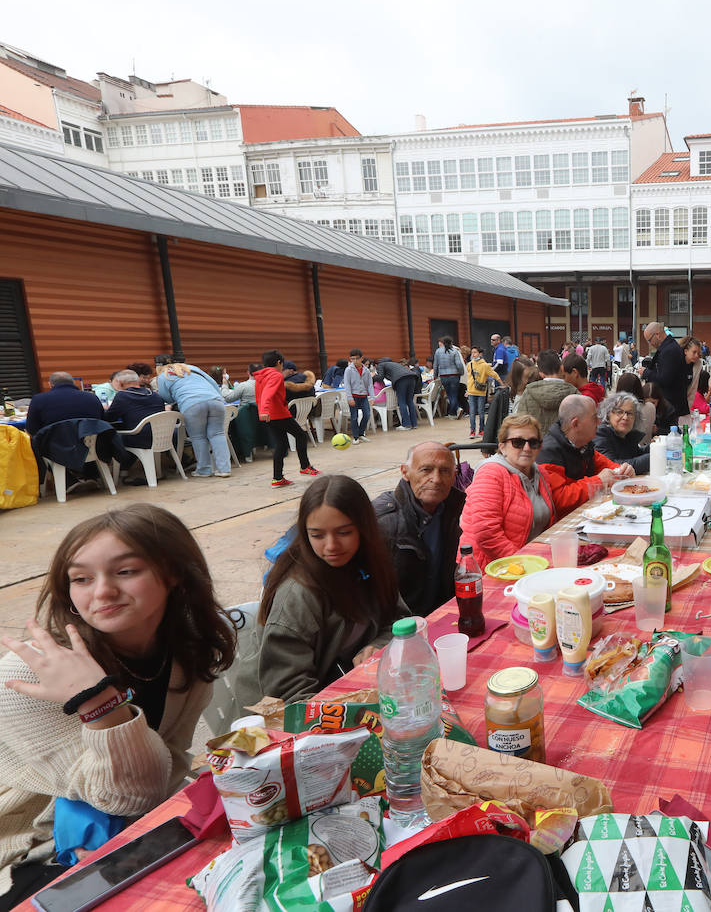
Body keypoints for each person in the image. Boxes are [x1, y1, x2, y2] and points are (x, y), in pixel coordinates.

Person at [0, 505, 236, 905]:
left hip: (139, 826)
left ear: (173, 573)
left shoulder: (185, 650)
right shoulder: (25, 678)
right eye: (81, 578)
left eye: (126, 571)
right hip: (34, 850)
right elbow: (126, 796)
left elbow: (172, 763)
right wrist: (97, 703)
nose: (102, 591)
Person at [233, 475, 406, 707]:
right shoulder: (298, 594)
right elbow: (288, 694)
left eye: (344, 532)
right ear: (304, 533)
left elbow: (400, 621)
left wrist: (378, 646)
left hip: (353, 694)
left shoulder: (370, 565)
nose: (331, 546)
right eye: (317, 535)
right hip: (287, 718)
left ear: (365, 529)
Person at [373, 443, 465, 615]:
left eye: (445, 471)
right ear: (405, 472)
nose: (436, 479)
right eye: (425, 470)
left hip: (442, 615)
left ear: (454, 476)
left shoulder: (455, 508)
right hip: (399, 627)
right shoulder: (382, 521)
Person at [458, 414, 556, 565]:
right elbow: (487, 533)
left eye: (533, 442)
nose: (527, 448)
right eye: (518, 442)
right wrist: (523, 564)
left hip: (530, 559)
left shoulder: (540, 473)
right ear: (502, 446)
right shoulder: (491, 473)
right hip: (489, 568)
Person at [536, 395, 633, 515]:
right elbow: (557, 499)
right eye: (594, 418)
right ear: (575, 424)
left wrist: (623, 471)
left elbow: (607, 466)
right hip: (562, 524)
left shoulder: (583, 444)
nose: (599, 421)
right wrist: (598, 481)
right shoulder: (549, 452)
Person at [154, 357, 231, 478]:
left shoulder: (164, 375)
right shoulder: (193, 368)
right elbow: (215, 385)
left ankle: (204, 470)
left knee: (198, 437)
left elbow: (166, 398)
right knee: (218, 434)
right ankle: (224, 469)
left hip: (191, 404)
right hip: (216, 401)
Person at [256, 349, 319, 488]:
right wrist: (266, 409)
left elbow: (261, 395)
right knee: (301, 436)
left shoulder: (261, 376)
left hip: (268, 416)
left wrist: (263, 410)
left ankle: (278, 478)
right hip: (277, 413)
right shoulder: (276, 375)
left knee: (281, 444)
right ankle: (305, 467)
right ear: (279, 362)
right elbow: (267, 393)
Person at [512, 350, 578, 436]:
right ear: (561, 368)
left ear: (541, 374)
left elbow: (520, 423)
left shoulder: (528, 393)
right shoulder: (574, 393)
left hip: (535, 445)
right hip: (566, 446)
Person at [23, 372, 105, 440]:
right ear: (73, 382)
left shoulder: (38, 399)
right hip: (90, 449)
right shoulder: (92, 397)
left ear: (50, 385)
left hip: (54, 452)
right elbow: (103, 421)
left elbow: (31, 430)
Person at [640, 322, 690, 424]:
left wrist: (646, 372)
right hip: (672, 405)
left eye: (649, 340)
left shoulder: (669, 350)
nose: (650, 344)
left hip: (672, 406)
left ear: (657, 335)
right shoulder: (669, 347)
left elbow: (665, 379)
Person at [593, 391, 650, 474]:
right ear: (608, 414)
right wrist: (653, 457)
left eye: (630, 413)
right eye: (619, 412)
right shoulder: (600, 434)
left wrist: (656, 447)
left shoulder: (627, 435)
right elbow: (612, 465)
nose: (625, 417)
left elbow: (637, 454)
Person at [375, 357, 419, 431]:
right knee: (410, 401)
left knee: (402, 401)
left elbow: (380, 377)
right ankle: (414, 424)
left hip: (401, 380)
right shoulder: (394, 364)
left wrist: (373, 376)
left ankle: (406, 424)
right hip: (412, 378)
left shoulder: (380, 365)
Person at [464, 349, 500, 438]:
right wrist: (468, 390)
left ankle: (481, 430)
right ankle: (472, 431)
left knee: (481, 411)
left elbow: (493, 374)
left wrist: (501, 382)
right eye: (472, 353)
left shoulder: (485, 365)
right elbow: (469, 379)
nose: (473, 354)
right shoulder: (469, 364)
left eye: (475, 352)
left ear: (480, 354)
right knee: (472, 412)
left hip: (481, 392)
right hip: (471, 391)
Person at [342, 348, 372, 443]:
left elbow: (370, 384)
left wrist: (372, 397)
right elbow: (347, 384)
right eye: (352, 359)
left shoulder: (366, 370)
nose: (355, 361)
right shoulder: (348, 370)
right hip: (353, 396)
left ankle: (361, 433)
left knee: (367, 415)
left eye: (356, 358)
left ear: (361, 358)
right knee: (354, 417)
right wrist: (349, 398)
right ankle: (355, 437)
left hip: (363, 397)